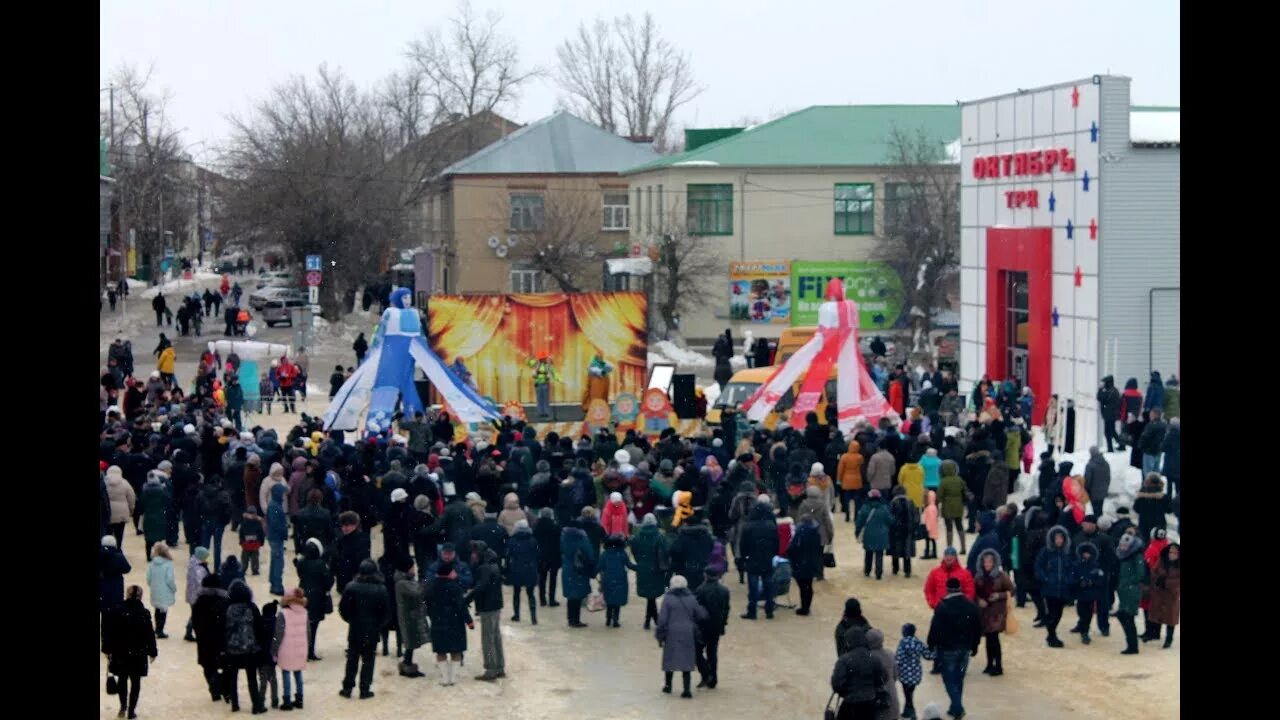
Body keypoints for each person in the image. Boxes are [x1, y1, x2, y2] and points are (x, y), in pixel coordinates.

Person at [926, 577, 982, 719]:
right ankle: (954, 707)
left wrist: (931, 644)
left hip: (947, 649)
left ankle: (957, 707)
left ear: (947, 589)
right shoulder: (971, 606)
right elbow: (977, 628)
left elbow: (935, 628)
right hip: (965, 648)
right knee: (959, 678)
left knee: (949, 679)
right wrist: (975, 645)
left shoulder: (942, 606)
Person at [102, 585, 158, 720]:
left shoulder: (117, 611)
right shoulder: (144, 613)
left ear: (127, 595)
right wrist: (152, 651)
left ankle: (123, 706)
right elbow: (149, 634)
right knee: (135, 682)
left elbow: (109, 632)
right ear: (140, 596)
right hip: (138, 653)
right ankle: (131, 710)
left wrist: (106, 649)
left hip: (120, 652)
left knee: (122, 679)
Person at [338, 559, 390, 699]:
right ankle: (365, 689)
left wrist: (351, 620)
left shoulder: (351, 587)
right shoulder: (381, 589)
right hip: (372, 629)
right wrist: (378, 625)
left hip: (355, 628)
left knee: (352, 659)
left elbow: (343, 609)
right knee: (368, 660)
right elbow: (386, 613)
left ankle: (347, 688)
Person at [656, 575, 708, 698]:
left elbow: (662, 619)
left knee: (669, 659)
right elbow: (701, 615)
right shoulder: (691, 598)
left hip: (671, 633)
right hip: (688, 632)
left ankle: (668, 686)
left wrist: (660, 635)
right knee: (687, 661)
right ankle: (686, 690)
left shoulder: (667, 599)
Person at [223, 580, 266, 714]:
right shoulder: (252, 607)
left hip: (233, 648)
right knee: (252, 678)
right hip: (250, 648)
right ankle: (256, 705)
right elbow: (259, 627)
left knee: (233, 677)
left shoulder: (228, 608)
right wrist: (260, 644)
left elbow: (224, 628)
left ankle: (235, 704)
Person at [466, 540, 506, 681]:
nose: (472, 556)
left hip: (488, 606)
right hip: (495, 605)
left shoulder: (484, 568)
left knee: (488, 638)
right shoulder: (493, 564)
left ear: (480, 553)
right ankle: (499, 667)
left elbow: (481, 587)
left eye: (474, 553)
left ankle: (490, 670)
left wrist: (468, 598)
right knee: (496, 637)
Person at [971, 548, 1013, 677]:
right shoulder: (978, 576)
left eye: (990, 562)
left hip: (997, 612)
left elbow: (1011, 590)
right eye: (985, 562)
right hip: (984, 611)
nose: (987, 565)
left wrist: (998, 596)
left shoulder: (1001, 576)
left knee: (994, 638)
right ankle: (989, 664)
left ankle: (998, 665)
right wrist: (979, 600)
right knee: (989, 638)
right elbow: (974, 592)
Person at [830, 627, 888, 720]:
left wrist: (846, 692)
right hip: (870, 705)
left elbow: (836, 684)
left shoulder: (844, 660)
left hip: (850, 705)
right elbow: (883, 678)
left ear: (848, 642)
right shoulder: (874, 658)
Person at [738, 497, 779, 620]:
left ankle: (752, 611)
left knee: (753, 588)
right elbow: (776, 543)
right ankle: (769, 610)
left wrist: (744, 557)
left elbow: (743, 545)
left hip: (752, 559)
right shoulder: (771, 525)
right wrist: (773, 554)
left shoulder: (748, 526)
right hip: (767, 558)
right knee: (768, 586)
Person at [1034, 525, 1075, 648]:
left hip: (1063, 588)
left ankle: (1051, 634)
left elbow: (1072, 568)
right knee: (1052, 613)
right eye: (1056, 538)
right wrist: (1045, 578)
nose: (1059, 540)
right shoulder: (1046, 551)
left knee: (1058, 613)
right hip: (1049, 588)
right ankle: (1052, 636)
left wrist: (1069, 579)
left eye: (1061, 538)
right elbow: (1038, 567)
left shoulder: (1067, 553)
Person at [630, 513, 670, 630]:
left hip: (643, 568)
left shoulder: (637, 536)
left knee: (650, 596)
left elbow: (634, 550)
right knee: (652, 595)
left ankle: (650, 620)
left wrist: (640, 561)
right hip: (656, 569)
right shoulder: (660, 536)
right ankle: (653, 620)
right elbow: (665, 552)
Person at [693, 567, 730, 689]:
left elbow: (696, 610)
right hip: (716, 626)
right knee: (712, 652)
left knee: (697, 651)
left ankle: (706, 673)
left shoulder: (700, 590)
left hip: (703, 626)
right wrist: (723, 624)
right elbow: (726, 610)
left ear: (706, 575)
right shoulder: (724, 591)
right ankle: (713, 679)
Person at [393, 557, 428, 679]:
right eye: (412, 567)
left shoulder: (405, 580)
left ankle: (407, 663)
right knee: (410, 641)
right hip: (408, 616)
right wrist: (426, 580)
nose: (414, 569)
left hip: (410, 616)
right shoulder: (402, 583)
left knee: (412, 641)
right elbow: (418, 591)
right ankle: (407, 665)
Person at [1114, 532, 1147, 654]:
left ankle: (1133, 646)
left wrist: (1127, 583)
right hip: (1125, 592)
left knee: (1127, 618)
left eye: (1125, 546)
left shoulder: (1136, 557)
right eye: (1121, 545)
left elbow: (1140, 574)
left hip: (1131, 592)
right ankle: (1131, 645)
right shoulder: (1125, 557)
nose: (1122, 548)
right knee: (1124, 616)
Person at [560, 520, 597, 628]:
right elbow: (589, 554)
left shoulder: (563, 537)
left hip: (567, 568)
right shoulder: (582, 538)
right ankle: (576, 620)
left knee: (570, 595)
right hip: (579, 570)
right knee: (578, 595)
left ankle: (570, 619)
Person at [894, 623, 934, 720]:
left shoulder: (903, 643)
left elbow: (898, 659)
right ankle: (907, 712)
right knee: (910, 694)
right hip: (916, 673)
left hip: (905, 674)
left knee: (907, 695)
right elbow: (928, 655)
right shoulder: (918, 642)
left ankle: (912, 714)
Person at [787, 514, 824, 615]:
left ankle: (804, 608)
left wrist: (790, 555)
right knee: (808, 585)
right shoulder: (816, 533)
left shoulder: (800, 532)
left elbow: (792, 548)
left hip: (800, 562)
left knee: (802, 586)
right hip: (811, 562)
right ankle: (807, 607)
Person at [1146, 542, 1180, 648]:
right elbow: (1154, 571)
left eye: (1175, 553)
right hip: (1159, 593)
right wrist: (1158, 580)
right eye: (1171, 552)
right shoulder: (1162, 560)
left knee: (1170, 619)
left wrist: (1166, 582)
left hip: (1172, 595)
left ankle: (1168, 639)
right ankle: (1153, 634)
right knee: (1156, 614)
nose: (1172, 554)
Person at [506, 519, 540, 624]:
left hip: (517, 569)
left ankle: (517, 615)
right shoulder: (533, 540)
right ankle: (533, 617)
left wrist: (508, 568)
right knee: (531, 594)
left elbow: (508, 555)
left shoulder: (512, 540)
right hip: (530, 568)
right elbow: (538, 555)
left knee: (516, 592)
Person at [332, 511, 372, 594]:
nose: (344, 528)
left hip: (356, 578)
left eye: (346, 525)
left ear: (355, 525)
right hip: (344, 578)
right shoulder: (341, 539)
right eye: (342, 526)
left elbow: (363, 559)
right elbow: (336, 557)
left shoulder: (362, 539)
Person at [855, 488, 892, 580]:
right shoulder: (884, 508)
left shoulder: (865, 508)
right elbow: (890, 521)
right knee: (879, 554)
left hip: (868, 535)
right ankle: (878, 573)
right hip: (882, 535)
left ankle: (867, 571)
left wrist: (857, 532)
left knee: (868, 553)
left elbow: (859, 522)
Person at [143, 542, 177, 640]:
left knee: (157, 609)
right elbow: (169, 579)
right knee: (163, 610)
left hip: (155, 589)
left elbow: (148, 578)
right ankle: (160, 630)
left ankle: (157, 628)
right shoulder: (168, 564)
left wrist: (153, 585)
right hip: (165, 590)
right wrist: (173, 588)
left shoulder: (152, 563)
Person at [866, 629, 900, 720]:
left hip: (878, 704)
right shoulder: (890, 654)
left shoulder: (868, 657)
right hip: (892, 702)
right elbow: (895, 675)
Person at [937, 461, 967, 554]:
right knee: (959, 526)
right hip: (959, 505)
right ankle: (963, 547)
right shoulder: (959, 480)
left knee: (949, 528)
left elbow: (939, 496)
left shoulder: (943, 481)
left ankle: (949, 548)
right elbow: (964, 491)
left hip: (947, 506)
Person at [105, 465, 138, 550]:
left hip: (107, 512)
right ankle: (119, 549)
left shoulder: (103, 482)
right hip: (121, 513)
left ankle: (107, 549)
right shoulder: (125, 483)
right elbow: (131, 498)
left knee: (107, 534)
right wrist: (131, 510)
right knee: (119, 535)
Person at [100, 535, 133, 615]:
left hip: (103, 586)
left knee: (105, 612)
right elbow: (127, 569)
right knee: (117, 611)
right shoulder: (119, 556)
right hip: (116, 586)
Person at [266, 483, 289, 596]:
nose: (284, 495)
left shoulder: (274, 505)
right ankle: (277, 586)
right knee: (278, 561)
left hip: (274, 536)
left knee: (275, 560)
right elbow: (276, 524)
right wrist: (284, 532)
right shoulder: (275, 506)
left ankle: (274, 583)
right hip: (276, 537)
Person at [837, 439, 865, 523]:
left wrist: (839, 479)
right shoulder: (860, 457)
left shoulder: (844, 457)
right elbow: (862, 468)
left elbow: (840, 470)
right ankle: (856, 516)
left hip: (846, 480)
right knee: (857, 500)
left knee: (846, 500)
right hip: (857, 480)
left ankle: (847, 516)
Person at [527, 350, 560, 419]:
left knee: (545, 398)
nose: (544, 359)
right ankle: (540, 412)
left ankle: (546, 412)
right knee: (539, 398)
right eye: (543, 358)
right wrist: (530, 357)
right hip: (538, 384)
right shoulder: (536, 364)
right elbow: (528, 363)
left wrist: (559, 379)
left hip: (545, 383)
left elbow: (554, 373)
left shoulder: (548, 365)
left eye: (545, 358)